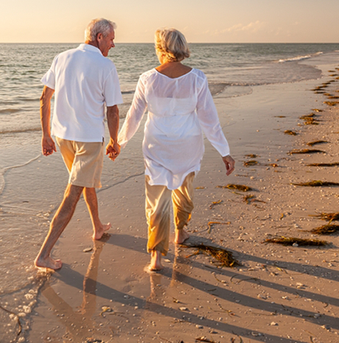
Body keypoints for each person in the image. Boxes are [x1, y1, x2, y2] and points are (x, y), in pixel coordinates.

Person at [117, 28, 235, 271]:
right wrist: (224, 151)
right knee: (184, 190)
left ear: (161, 48)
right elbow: (209, 120)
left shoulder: (147, 78)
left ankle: (156, 257)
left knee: (157, 201)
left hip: (157, 146)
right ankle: (180, 232)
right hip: (187, 146)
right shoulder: (198, 78)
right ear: (181, 48)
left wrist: (118, 143)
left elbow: (133, 119)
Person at [34, 18, 123, 271]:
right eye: (111, 38)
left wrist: (46, 135)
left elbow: (44, 98)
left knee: (85, 182)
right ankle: (44, 254)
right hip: (88, 140)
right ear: (99, 38)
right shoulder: (106, 65)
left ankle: (97, 227)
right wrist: (115, 141)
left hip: (62, 137)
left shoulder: (61, 57)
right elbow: (113, 110)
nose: (113, 44)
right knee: (73, 193)